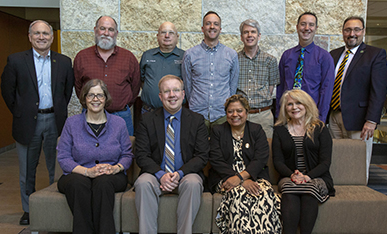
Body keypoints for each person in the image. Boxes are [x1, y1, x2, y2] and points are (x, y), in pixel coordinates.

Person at [0, 20, 74, 225]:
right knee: (27, 169)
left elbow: (66, 92)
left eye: (45, 33)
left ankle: (54, 205)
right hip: (27, 122)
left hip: (55, 120)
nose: (41, 37)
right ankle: (28, 209)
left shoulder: (65, 61)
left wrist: (56, 109)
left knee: (57, 165)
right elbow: (7, 91)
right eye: (37, 33)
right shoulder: (16, 61)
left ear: (52, 37)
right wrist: (20, 112)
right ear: (30, 36)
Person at [134, 75, 209, 234]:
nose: (172, 95)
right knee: (142, 182)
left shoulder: (197, 120)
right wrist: (161, 175)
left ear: (183, 94)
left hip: (186, 175)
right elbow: (141, 154)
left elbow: (202, 155)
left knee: (193, 182)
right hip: (156, 176)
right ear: (160, 97)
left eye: (176, 90)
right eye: (166, 91)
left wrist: (180, 173)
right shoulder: (147, 120)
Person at [57, 79, 133, 234]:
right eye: (91, 95)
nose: (95, 99)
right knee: (77, 184)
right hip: (78, 174)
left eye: (100, 95)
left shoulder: (118, 123)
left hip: (111, 175)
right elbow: (64, 157)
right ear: (84, 98)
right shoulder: (71, 123)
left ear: (106, 99)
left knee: (103, 183)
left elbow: (127, 155)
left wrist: (115, 168)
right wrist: (87, 172)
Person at [208, 94, 281, 233]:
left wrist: (241, 178)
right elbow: (216, 160)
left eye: (239, 111)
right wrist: (240, 181)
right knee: (239, 194)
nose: (235, 114)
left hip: (255, 177)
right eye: (230, 111)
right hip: (225, 177)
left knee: (263, 194)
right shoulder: (217, 131)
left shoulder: (256, 130)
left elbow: (260, 158)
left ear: (247, 113)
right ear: (226, 114)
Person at [328, 16, 387, 182]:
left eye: (356, 29)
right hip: (334, 116)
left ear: (363, 32)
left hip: (360, 120)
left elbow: (379, 90)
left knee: (357, 162)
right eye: (348, 30)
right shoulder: (334, 55)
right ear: (342, 32)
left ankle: (359, 195)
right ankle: (340, 194)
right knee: (336, 159)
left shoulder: (375, 55)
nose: (352, 33)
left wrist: (371, 120)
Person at [273, 89, 335, 234]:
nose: (294, 107)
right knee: (289, 189)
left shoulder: (320, 128)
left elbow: (325, 162)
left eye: (298, 103)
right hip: (289, 177)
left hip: (317, 177)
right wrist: (292, 175)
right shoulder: (279, 130)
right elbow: (278, 161)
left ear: (306, 105)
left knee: (310, 189)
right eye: (290, 104)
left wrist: (307, 177)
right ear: (285, 108)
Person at [73, 15, 140, 136]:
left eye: (111, 29)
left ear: (116, 33)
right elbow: (78, 87)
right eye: (102, 28)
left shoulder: (128, 57)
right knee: (89, 151)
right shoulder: (82, 57)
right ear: (95, 30)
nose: (106, 33)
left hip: (121, 115)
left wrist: (121, 104)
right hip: (90, 115)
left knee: (124, 151)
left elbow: (135, 87)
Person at [182, 11, 239, 131]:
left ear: (220, 29)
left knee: (221, 149)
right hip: (197, 113)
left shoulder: (231, 55)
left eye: (215, 24)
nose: (212, 27)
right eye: (208, 24)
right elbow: (188, 86)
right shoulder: (190, 54)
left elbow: (232, 86)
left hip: (222, 114)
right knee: (197, 149)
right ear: (202, 28)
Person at [276, 11, 334, 122]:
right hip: (288, 114)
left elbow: (326, 91)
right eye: (303, 24)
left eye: (311, 25)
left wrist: (320, 119)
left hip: (311, 116)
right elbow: (280, 88)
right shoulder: (287, 55)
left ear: (316, 28)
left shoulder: (324, 57)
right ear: (297, 27)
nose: (307, 28)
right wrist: (279, 115)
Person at [236, 19, 280, 138]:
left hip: (263, 115)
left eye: (253, 32)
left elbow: (271, 88)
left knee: (266, 151)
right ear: (241, 37)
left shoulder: (270, 60)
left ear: (259, 36)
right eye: (246, 32)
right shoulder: (234, 60)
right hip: (240, 115)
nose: (250, 35)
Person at [140, 21, 185, 114]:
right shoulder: (147, 55)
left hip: (176, 112)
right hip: (149, 111)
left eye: (171, 32)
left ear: (177, 37)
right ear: (157, 36)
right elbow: (141, 80)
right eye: (163, 32)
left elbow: (189, 82)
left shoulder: (185, 56)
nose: (167, 36)